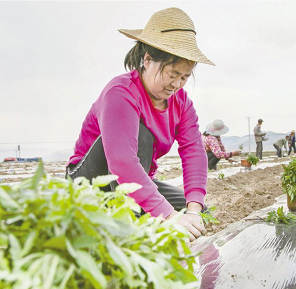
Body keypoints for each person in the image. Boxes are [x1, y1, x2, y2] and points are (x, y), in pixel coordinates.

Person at [66, 8, 214, 241]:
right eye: (172, 73)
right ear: (147, 60)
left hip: (129, 182)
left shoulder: (182, 103)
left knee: (193, 213)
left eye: (184, 77)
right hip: (89, 183)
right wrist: (168, 217)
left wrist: (194, 209)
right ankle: (124, 225)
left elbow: (194, 152)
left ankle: (137, 214)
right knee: (142, 137)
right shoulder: (121, 93)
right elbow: (122, 162)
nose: (176, 84)